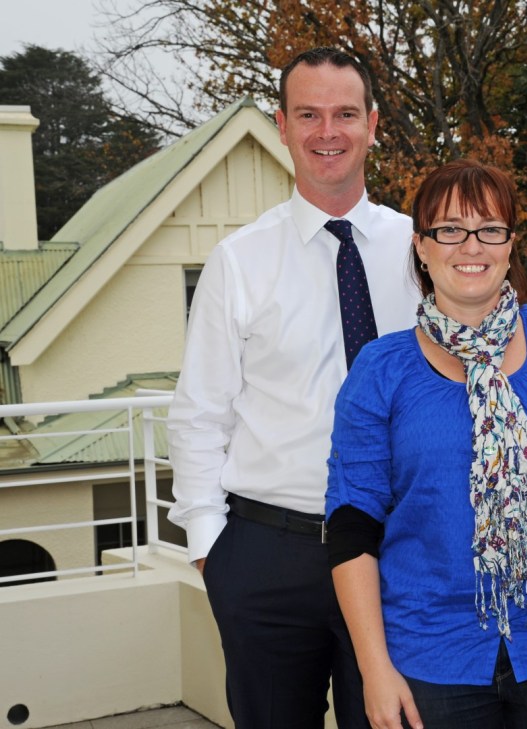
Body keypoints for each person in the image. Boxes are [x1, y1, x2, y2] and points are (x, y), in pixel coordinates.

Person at [167, 47, 419, 728]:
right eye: (307, 113)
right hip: (268, 556)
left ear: (373, 124)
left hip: (397, 552)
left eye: (343, 113)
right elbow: (199, 413)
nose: (326, 132)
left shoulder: (420, 250)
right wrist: (211, 547)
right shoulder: (239, 261)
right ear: (281, 124)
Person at [325, 159, 527, 729]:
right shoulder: (380, 370)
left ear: (511, 245)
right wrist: (374, 669)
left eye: (491, 228)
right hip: (428, 662)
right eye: (450, 230)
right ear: (421, 246)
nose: (472, 245)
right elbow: (350, 524)